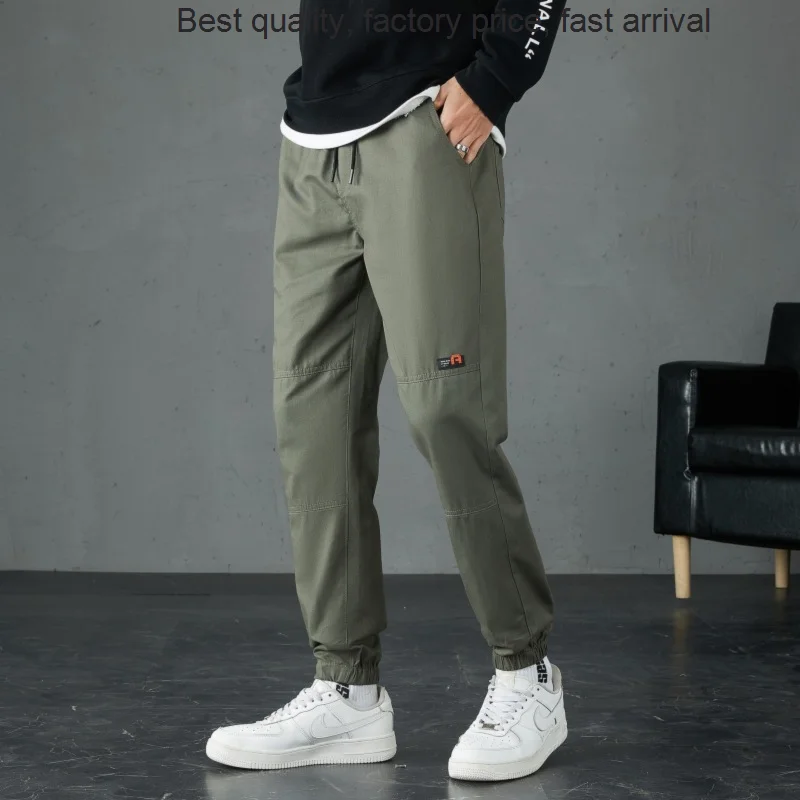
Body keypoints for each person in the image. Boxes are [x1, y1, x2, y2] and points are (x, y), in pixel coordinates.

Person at [206, 0, 569, 782]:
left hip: (423, 121)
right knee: (314, 422)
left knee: (447, 408)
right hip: (312, 137)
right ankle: (347, 688)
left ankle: (527, 675)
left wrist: (498, 76)